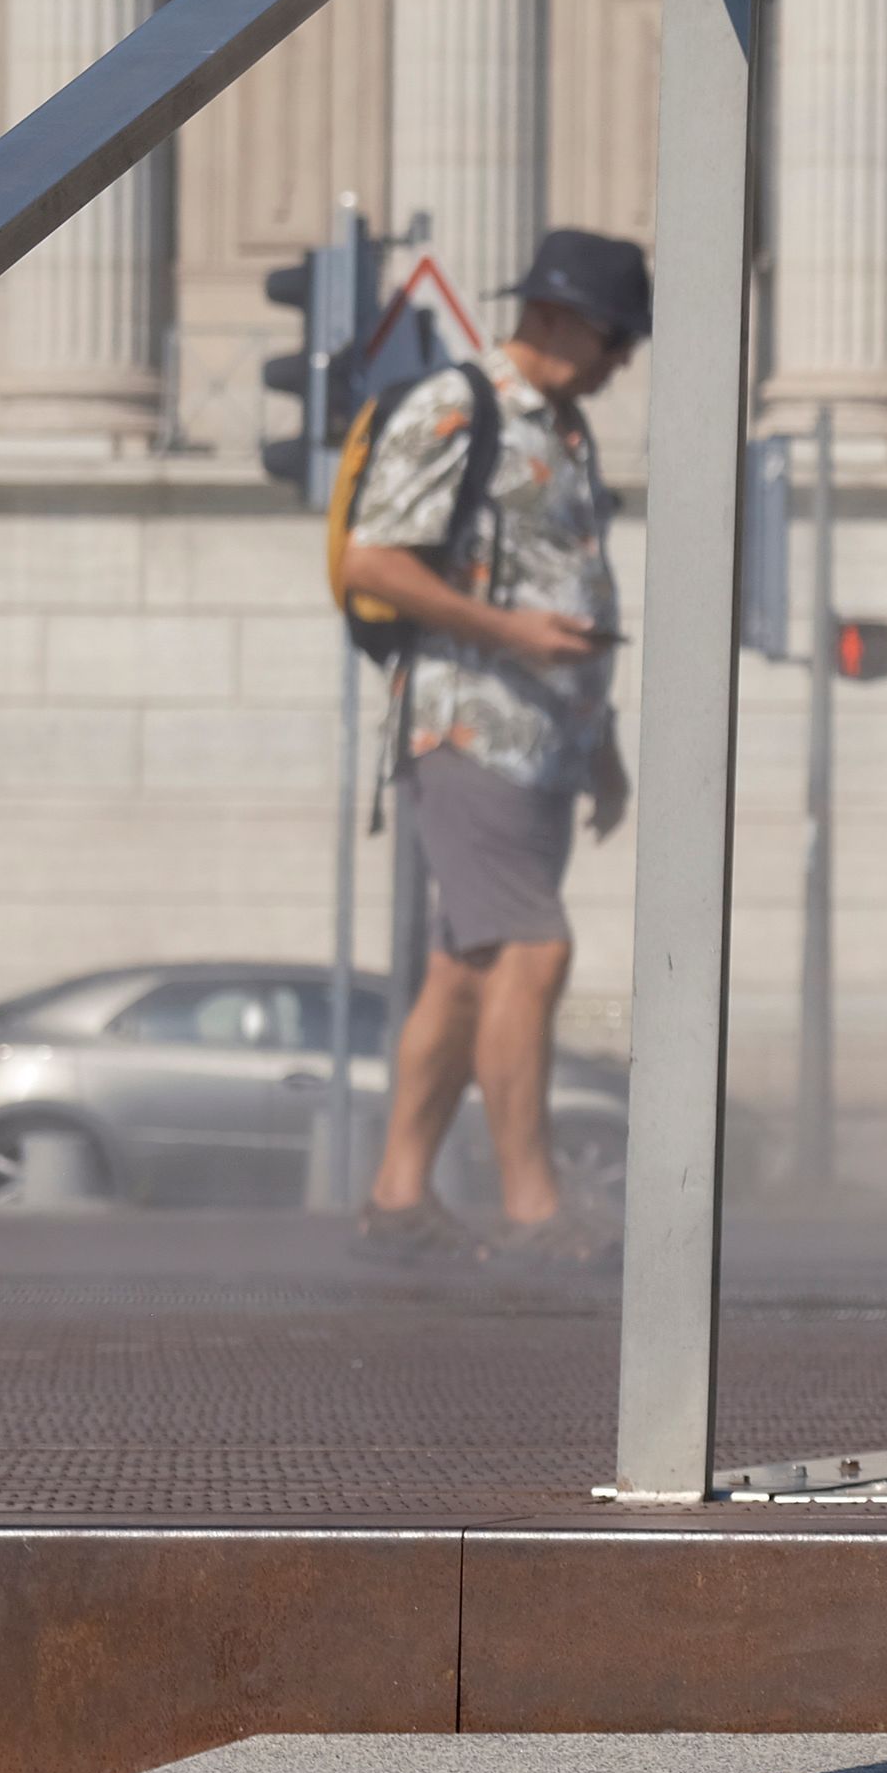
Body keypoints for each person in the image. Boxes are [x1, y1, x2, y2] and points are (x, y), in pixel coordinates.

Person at [334, 228, 648, 1258]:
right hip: (469, 721)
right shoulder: (455, 405)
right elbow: (378, 560)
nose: (622, 363)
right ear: (555, 318)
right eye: (615, 337)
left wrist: (597, 741)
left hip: (543, 740)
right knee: (534, 947)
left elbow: (567, 583)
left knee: (467, 968)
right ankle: (533, 1208)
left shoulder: (563, 429)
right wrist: (513, 634)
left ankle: (396, 1198)